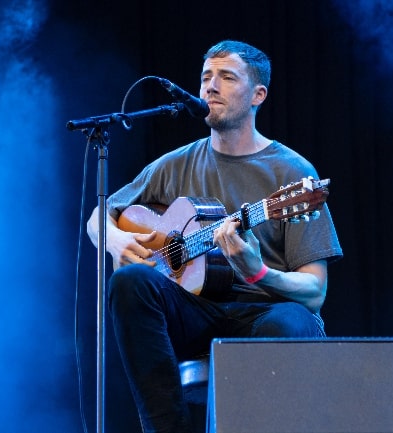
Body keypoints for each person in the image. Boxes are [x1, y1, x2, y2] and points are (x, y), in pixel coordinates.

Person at [87, 40, 343, 433]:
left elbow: (315, 291)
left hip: (265, 312)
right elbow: (100, 215)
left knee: (292, 321)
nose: (210, 87)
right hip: (195, 311)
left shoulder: (293, 174)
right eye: (206, 77)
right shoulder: (175, 164)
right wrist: (114, 241)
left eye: (226, 77)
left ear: (258, 95)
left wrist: (258, 272)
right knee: (129, 281)